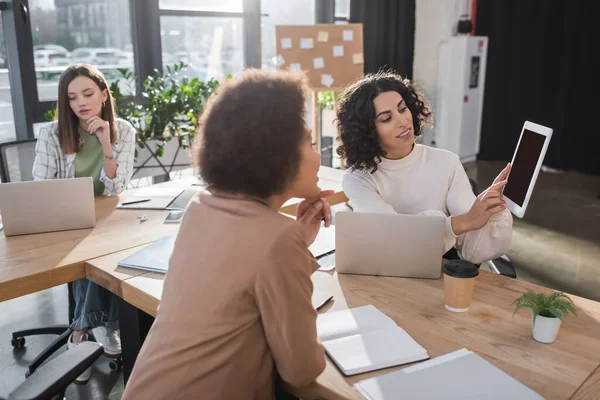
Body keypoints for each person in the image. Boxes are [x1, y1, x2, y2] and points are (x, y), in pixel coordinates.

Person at [122, 70, 329, 400]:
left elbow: (240, 277)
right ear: (277, 153)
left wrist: (298, 240)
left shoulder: (201, 205)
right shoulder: (278, 238)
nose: (319, 157)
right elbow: (301, 370)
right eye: (311, 143)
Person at [336, 71, 512, 264]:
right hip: (385, 276)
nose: (403, 121)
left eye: (403, 109)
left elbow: (474, 252)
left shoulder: (447, 163)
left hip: (437, 274)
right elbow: (392, 238)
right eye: (387, 119)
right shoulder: (358, 178)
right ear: (367, 131)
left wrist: (491, 210)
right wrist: (463, 221)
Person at [32, 64, 136, 383]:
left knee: (108, 247)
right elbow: (40, 189)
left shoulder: (125, 131)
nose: (81, 102)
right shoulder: (52, 134)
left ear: (104, 95)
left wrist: (106, 143)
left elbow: (117, 188)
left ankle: (80, 333)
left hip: (107, 220)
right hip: (65, 224)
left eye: (88, 94)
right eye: (73, 97)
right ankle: (98, 328)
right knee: (88, 251)